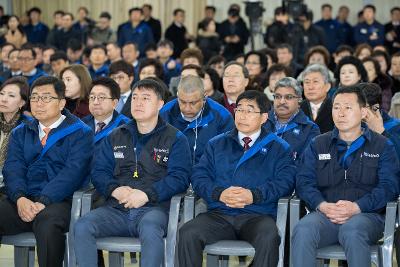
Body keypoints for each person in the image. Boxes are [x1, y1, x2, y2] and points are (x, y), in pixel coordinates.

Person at [73, 78, 191, 267]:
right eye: (135, 97)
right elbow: (99, 172)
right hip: (116, 208)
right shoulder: (116, 135)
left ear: (160, 104)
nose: (138, 103)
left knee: (150, 227)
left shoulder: (176, 138)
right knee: (82, 225)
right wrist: (114, 190)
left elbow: (179, 178)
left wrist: (146, 194)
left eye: (146, 98)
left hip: (154, 208)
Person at [178, 90, 296, 267]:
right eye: (239, 110)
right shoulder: (217, 143)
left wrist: (253, 195)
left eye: (250, 110)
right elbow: (199, 175)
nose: (242, 115)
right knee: (188, 232)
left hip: (257, 214)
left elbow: (284, 182)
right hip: (220, 214)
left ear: (264, 117)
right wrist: (219, 193)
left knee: (269, 236)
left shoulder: (278, 147)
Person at [291, 85, 400, 267]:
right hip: (327, 214)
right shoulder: (318, 144)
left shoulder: (382, 145)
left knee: (352, 230)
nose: (340, 113)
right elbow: (304, 182)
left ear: (363, 111)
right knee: (303, 229)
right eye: (336, 107)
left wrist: (357, 207)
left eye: (348, 108)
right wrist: (322, 205)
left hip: (367, 216)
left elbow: (389, 187)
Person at [1, 76, 94, 267]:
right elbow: (13, 167)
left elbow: (72, 174)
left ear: (61, 103)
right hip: (24, 199)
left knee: (47, 224)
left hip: (61, 201)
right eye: (34, 98)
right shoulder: (21, 131)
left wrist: (43, 201)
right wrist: (20, 198)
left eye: (46, 98)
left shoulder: (80, 132)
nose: (38, 103)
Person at [160, 75, 233, 164]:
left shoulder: (222, 117)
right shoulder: (165, 113)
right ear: (178, 95)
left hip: (207, 174)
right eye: (182, 102)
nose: (187, 108)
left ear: (205, 97)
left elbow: (226, 156)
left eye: (193, 103)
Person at [264, 77, 320, 160]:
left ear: (299, 100)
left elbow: (306, 164)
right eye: (278, 96)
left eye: (289, 97)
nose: (282, 101)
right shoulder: (261, 121)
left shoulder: (310, 129)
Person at [82, 77, 129, 144]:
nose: (95, 102)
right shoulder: (81, 125)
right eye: (92, 97)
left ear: (114, 103)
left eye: (101, 97)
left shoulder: (125, 126)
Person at [359, 82, 400, 160]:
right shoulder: (352, 125)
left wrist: (381, 132)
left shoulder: (395, 127)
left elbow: (396, 159)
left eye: (361, 107)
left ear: (375, 108)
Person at [0, 77, 30, 167]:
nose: (4, 99)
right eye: (2, 93)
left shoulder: (28, 127)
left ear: (22, 103)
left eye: (11, 95)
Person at [300, 64, 334, 134]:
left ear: (327, 86)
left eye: (315, 82)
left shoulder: (335, 108)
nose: (310, 87)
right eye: (307, 82)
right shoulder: (296, 109)